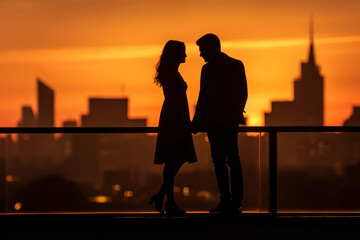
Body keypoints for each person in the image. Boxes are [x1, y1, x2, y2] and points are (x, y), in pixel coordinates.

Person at [192, 33, 248, 214]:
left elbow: (203, 98)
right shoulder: (236, 65)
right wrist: (234, 114)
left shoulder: (207, 70)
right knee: (233, 160)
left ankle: (226, 201)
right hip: (228, 123)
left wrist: (196, 122)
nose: (201, 55)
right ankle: (236, 202)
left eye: (202, 51)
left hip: (215, 123)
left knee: (220, 162)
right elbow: (243, 93)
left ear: (210, 49)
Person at [149, 40, 197, 216]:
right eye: (183, 52)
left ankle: (162, 196)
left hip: (173, 118)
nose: (185, 55)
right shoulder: (172, 74)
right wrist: (186, 121)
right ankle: (168, 201)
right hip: (175, 120)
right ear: (176, 54)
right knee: (174, 160)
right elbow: (177, 101)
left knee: (175, 160)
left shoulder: (171, 72)